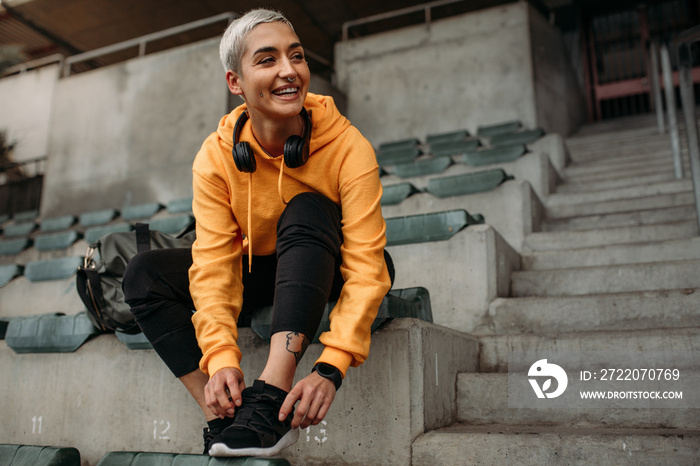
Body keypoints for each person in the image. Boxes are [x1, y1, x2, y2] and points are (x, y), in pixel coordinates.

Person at [122, 8, 394, 458]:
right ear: (236, 83)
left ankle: (270, 399)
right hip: (261, 269)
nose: (289, 71)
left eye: (297, 56)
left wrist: (331, 367)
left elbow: (367, 267)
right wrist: (221, 359)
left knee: (306, 207)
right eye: (267, 60)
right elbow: (213, 266)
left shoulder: (349, 146)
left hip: (327, 265)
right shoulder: (215, 157)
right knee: (143, 273)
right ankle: (223, 415)